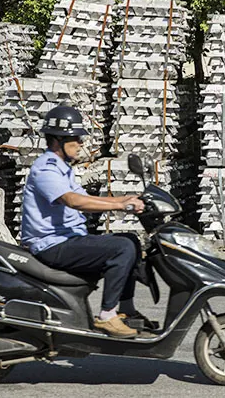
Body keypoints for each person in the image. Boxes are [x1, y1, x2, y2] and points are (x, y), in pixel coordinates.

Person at [20, 105, 147, 338]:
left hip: (68, 239)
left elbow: (86, 198)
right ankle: (107, 316)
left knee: (130, 239)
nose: (80, 143)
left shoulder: (62, 169)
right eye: (76, 138)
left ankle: (126, 310)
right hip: (51, 245)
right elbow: (73, 201)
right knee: (122, 248)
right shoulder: (45, 169)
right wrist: (120, 206)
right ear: (59, 140)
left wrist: (126, 198)